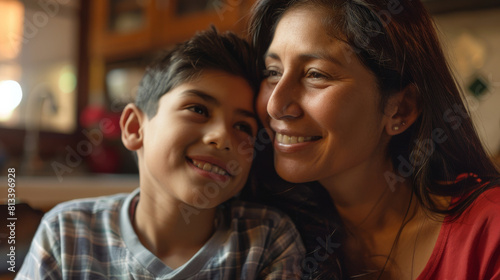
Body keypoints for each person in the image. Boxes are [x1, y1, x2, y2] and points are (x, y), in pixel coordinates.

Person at [16, 27, 305, 280]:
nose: (222, 137)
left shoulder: (267, 239)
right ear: (133, 127)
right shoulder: (66, 234)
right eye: (198, 109)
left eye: (243, 126)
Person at [247, 0, 500, 279]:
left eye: (315, 74)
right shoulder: (263, 237)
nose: (275, 105)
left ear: (400, 109)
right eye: (273, 72)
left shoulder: (489, 230)